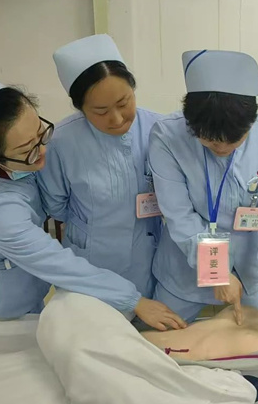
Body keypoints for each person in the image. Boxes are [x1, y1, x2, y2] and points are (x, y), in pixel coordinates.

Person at [0, 71, 184, 330]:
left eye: (40, 133)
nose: (43, 151)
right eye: (28, 150)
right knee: (22, 330)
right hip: (8, 288)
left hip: (40, 261)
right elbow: (53, 261)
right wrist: (134, 301)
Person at [149, 50, 258, 327]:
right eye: (210, 141)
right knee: (163, 338)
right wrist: (215, 270)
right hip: (186, 267)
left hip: (250, 264)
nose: (222, 148)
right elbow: (179, 214)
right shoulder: (167, 135)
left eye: (234, 140)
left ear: (251, 122)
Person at [36, 34, 176, 328]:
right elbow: (56, 204)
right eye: (100, 111)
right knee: (90, 331)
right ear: (80, 108)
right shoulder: (62, 142)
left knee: (146, 334)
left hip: (148, 256)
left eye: (124, 103)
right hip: (91, 259)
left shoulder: (160, 130)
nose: (116, 119)